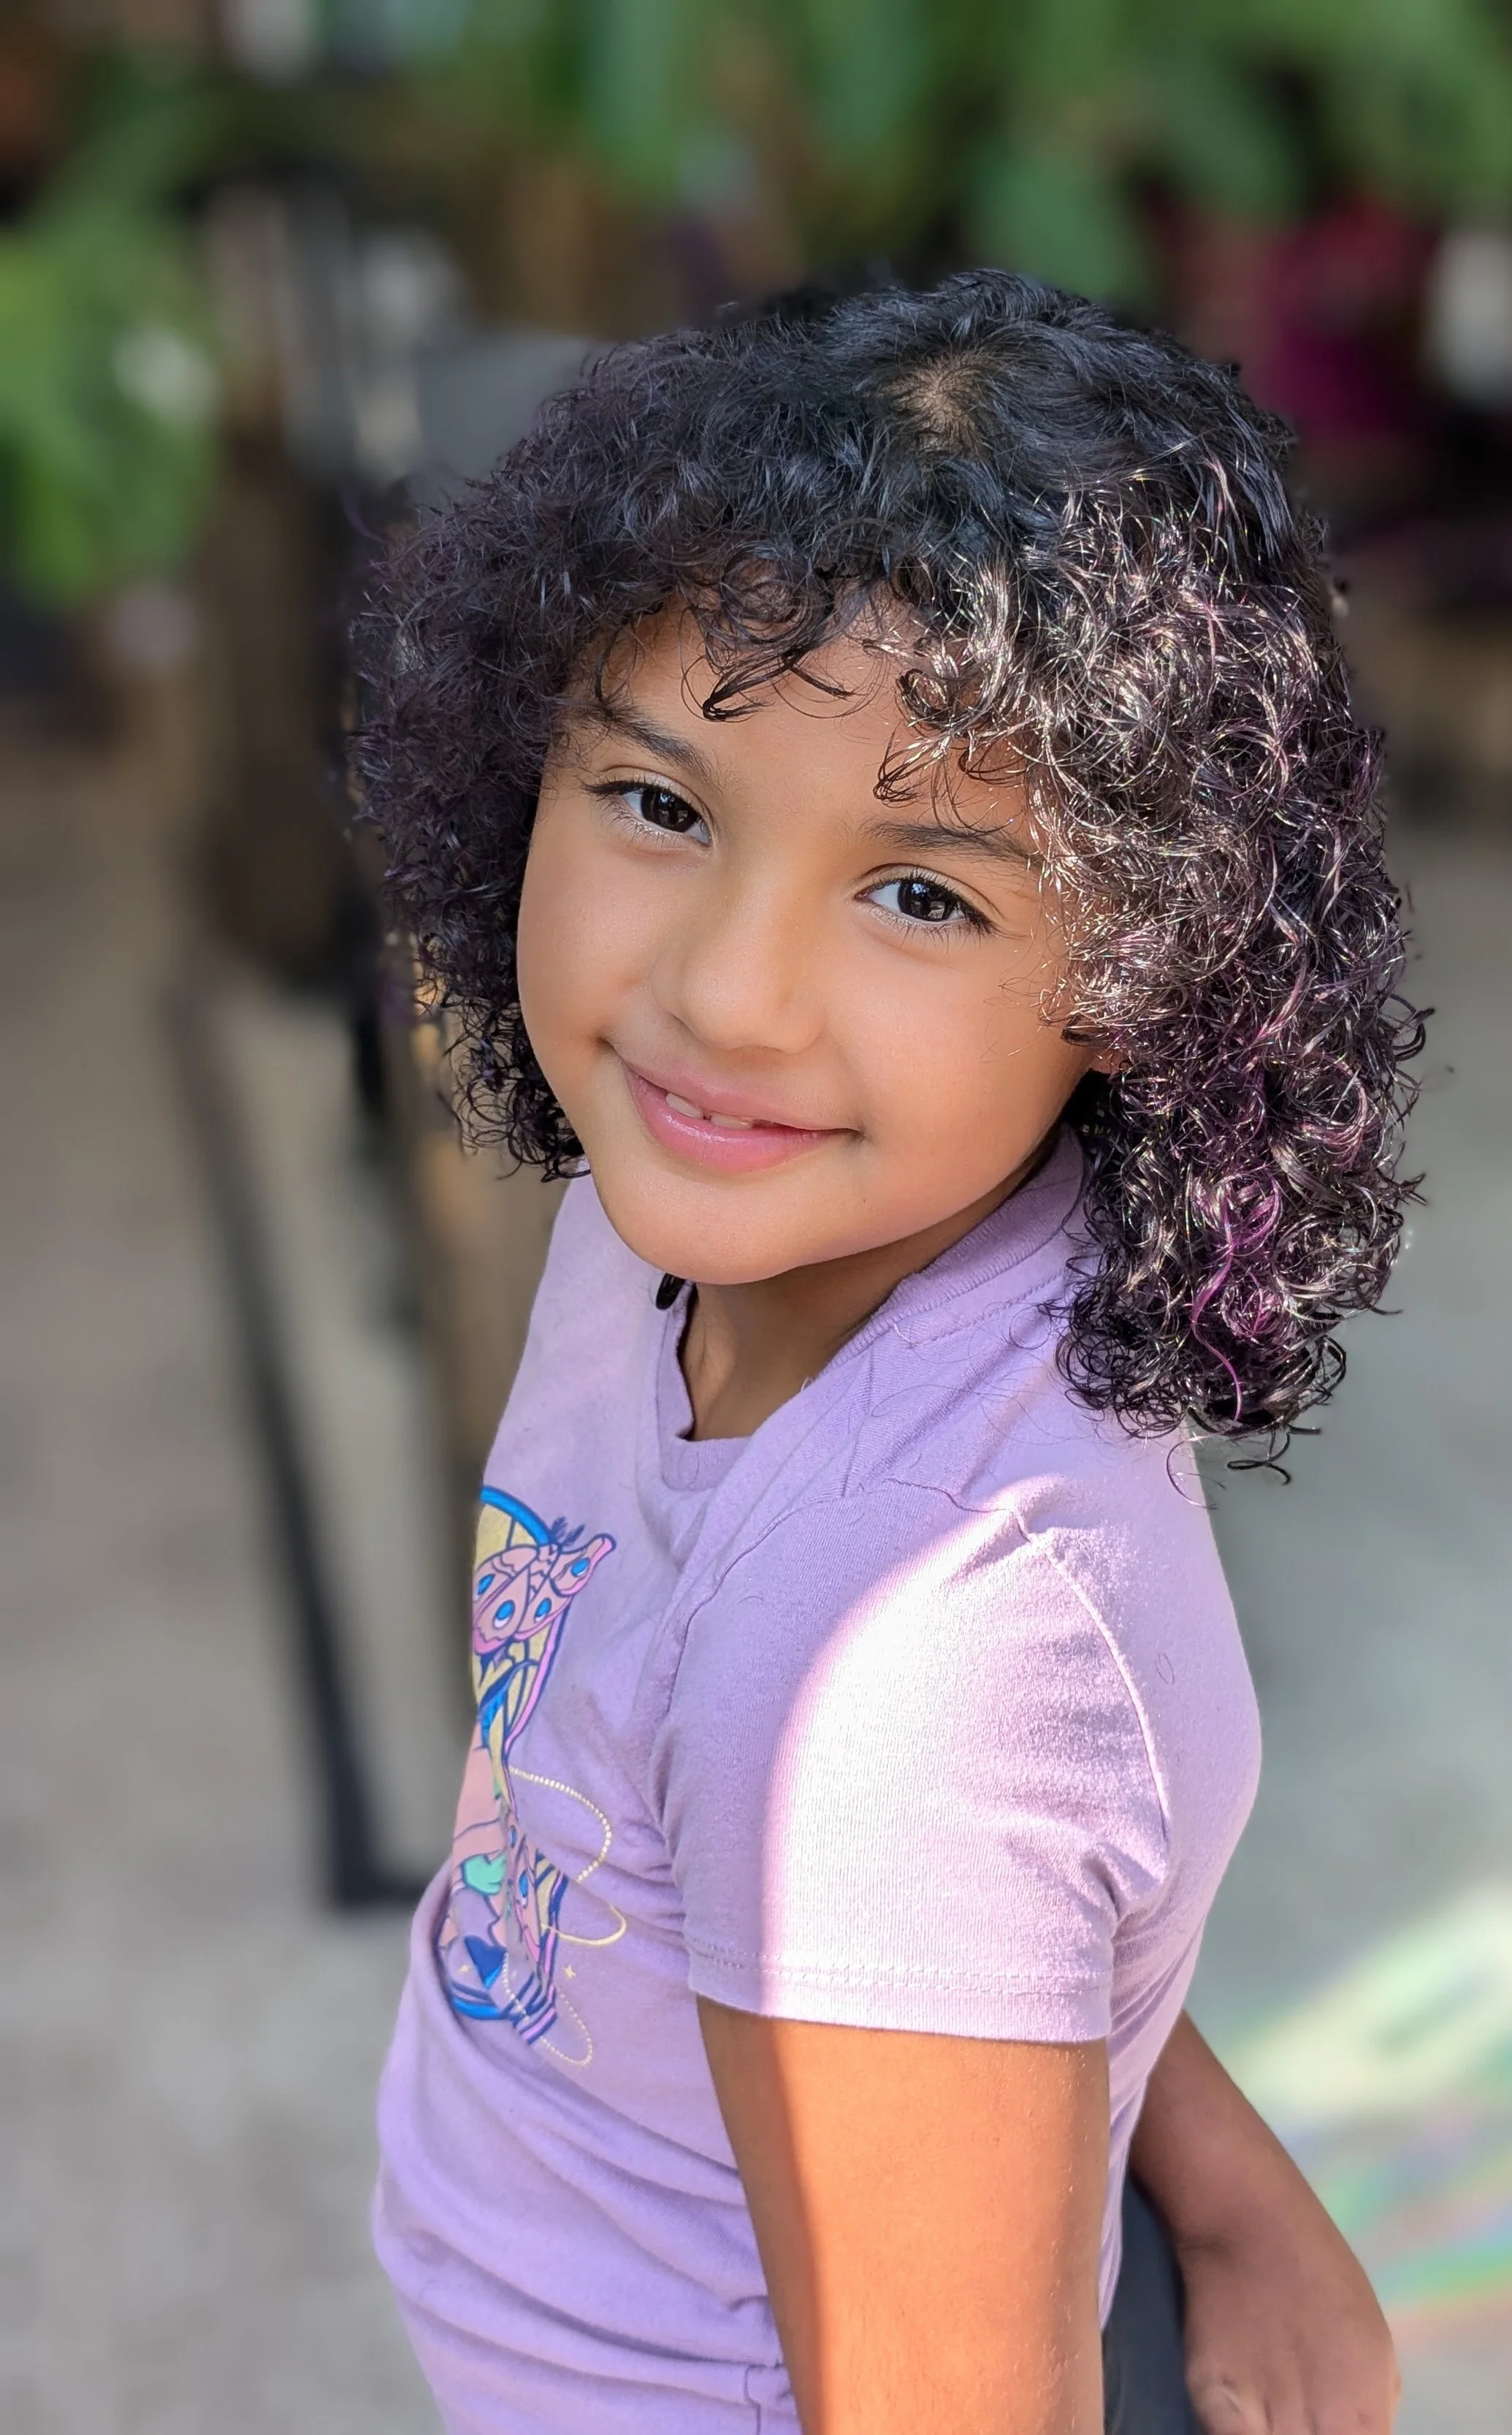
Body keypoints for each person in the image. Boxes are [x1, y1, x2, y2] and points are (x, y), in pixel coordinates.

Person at [356, 271, 1419, 2435]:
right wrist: (1209, 2175)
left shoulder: (902, 1677)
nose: (726, 996)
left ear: (1136, 966)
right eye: (659, 805)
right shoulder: (680, 1200)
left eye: (921, 892)